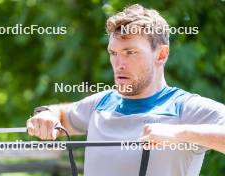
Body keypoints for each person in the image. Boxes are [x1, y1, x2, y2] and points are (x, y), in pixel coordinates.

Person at [26, 4, 225, 176]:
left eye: (130, 52)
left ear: (161, 55)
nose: (119, 64)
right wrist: (46, 114)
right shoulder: (101, 103)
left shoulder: (184, 108)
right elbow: (60, 115)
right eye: (114, 53)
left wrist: (180, 134)